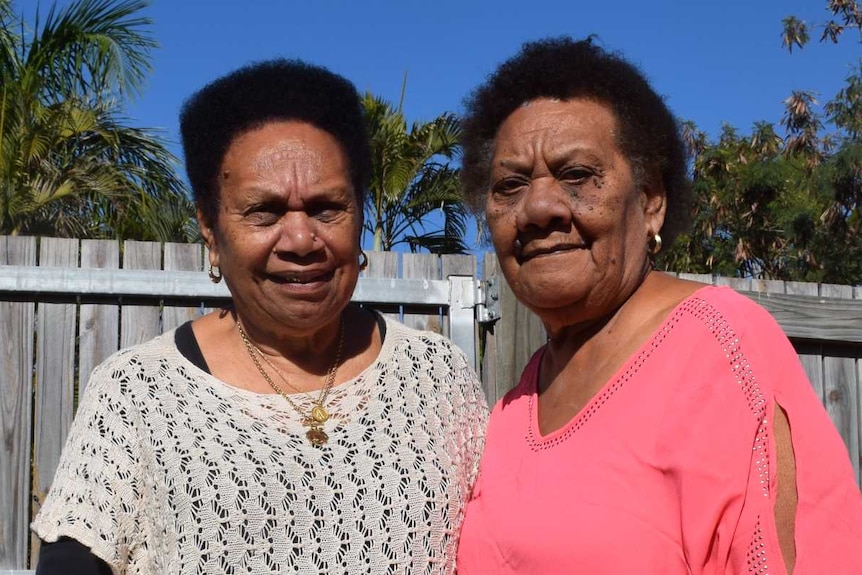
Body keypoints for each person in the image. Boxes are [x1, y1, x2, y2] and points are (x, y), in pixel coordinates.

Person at [32, 59, 488, 574]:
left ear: (358, 214)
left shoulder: (436, 377)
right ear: (209, 228)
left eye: (326, 208)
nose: (300, 241)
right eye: (263, 212)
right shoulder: (138, 395)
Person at [455, 37, 862, 574]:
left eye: (576, 175)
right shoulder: (510, 410)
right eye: (510, 185)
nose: (538, 208)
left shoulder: (720, 349)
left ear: (651, 202)